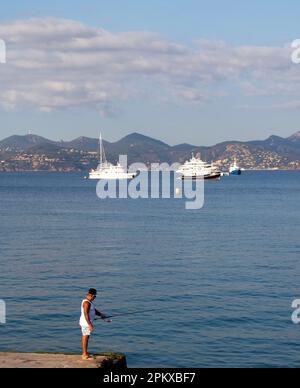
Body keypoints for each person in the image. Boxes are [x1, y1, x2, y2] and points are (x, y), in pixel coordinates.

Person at [79, 288, 110, 360]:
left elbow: (94, 310)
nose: (95, 298)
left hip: (87, 322)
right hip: (86, 323)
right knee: (85, 337)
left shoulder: (89, 302)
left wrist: (101, 314)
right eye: (95, 296)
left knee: (86, 336)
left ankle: (85, 353)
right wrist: (89, 324)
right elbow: (86, 314)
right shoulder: (86, 303)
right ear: (92, 296)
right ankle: (84, 354)